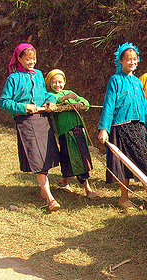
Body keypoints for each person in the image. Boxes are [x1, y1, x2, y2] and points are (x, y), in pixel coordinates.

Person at [97, 43, 147, 210]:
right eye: (128, 59)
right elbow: (109, 105)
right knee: (125, 164)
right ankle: (125, 198)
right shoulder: (115, 80)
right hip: (121, 128)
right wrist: (104, 129)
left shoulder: (137, 82)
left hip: (138, 128)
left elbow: (144, 107)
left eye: (134, 59)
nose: (132, 62)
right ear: (120, 61)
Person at [0, 43, 61, 212]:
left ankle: (43, 190)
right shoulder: (13, 78)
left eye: (33, 59)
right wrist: (24, 107)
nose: (31, 62)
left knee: (45, 156)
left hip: (42, 119)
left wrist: (51, 101)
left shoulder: (39, 75)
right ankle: (50, 198)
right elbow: (4, 102)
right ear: (19, 59)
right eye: (27, 59)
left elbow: (44, 93)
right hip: (26, 122)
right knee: (36, 157)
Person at [45, 69, 99, 200]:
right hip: (66, 132)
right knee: (72, 158)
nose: (57, 85)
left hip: (78, 131)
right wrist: (65, 100)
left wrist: (80, 104)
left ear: (64, 82)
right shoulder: (50, 96)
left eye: (60, 82)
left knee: (77, 157)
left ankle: (67, 181)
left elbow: (85, 103)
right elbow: (54, 104)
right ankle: (87, 189)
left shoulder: (71, 93)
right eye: (54, 82)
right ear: (49, 83)